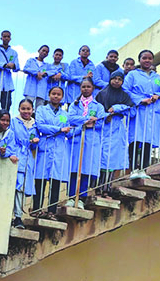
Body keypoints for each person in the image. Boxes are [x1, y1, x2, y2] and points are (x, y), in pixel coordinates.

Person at [122, 50, 160, 178]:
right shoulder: (132, 75)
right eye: (144, 58)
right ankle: (134, 169)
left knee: (148, 140)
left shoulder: (157, 77)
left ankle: (144, 169)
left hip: (153, 110)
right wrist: (140, 100)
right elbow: (125, 90)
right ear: (139, 60)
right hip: (139, 109)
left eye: (150, 58)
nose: (147, 61)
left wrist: (158, 96)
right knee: (135, 138)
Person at [67, 77, 106, 208]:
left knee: (86, 169)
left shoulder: (98, 106)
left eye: (88, 87)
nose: (86, 89)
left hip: (91, 139)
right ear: (80, 88)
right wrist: (87, 120)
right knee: (74, 168)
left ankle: (82, 198)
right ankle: (72, 196)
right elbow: (71, 118)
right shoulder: (75, 104)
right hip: (77, 138)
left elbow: (101, 122)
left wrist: (90, 123)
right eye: (83, 87)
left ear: (93, 88)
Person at [33, 86, 70, 217]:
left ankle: (51, 211)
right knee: (40, 180)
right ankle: (36, 209)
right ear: (49, 95)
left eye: (59, 94)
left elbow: (67, 128)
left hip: (59, 147)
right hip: (45, 144)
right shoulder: (41, 110)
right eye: (53, 94)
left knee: (55, 181)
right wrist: (59, 130)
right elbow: (41, 126)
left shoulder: (65, 114)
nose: (56, 96)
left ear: (62, 97)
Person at [95, 72, 135, 190]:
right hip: (104, 127)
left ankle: (108, 188)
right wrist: (105, 115)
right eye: (114, 79)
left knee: (113, 159)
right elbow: (96, 109)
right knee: (102, 158)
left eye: (120, 79)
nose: (117, 81)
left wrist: (117, 108)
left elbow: (132, 111)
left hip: (117, 128)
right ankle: (99, 187)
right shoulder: (102, 94)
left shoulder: (124, 95)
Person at [10, 99, 39, 229]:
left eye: (28, 109)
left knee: (21, 189)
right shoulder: (13, 122)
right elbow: (9, 138)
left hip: (27, 158)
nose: (26, 111)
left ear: (32, 110)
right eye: (23, 109)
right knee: (15, 187)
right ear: (19, 109)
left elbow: (33, 146)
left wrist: (35, 142)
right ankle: (16, 216)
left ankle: (18, 216)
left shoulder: (34, 124)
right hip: (15, 156)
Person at [0, 31, 20, 121]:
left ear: (10, 38)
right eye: (4, 36)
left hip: (7, 81)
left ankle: (3, 120)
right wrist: (4, 64)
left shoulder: (13, 52)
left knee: (6, 103)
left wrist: (13, 65)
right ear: (1, 38)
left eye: (8, 37)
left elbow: (17, 66)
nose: (6, 38)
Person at [23, 45, 50, 110]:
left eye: (46, 52)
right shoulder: (31, 61)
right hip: (30, 89)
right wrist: (36, 73)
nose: (44, 53)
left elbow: (54, 71)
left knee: (39, 109)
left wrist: (46, 73)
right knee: (27, 106)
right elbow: (26, 69)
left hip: (41, 91)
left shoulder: (47, 65)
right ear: (39, 50)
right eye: (43, 50)